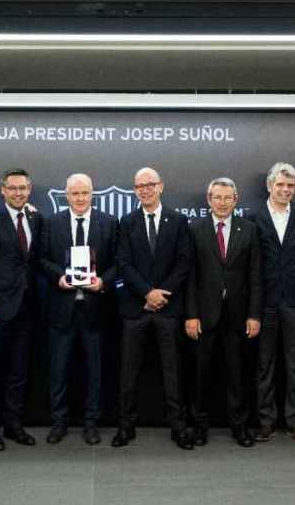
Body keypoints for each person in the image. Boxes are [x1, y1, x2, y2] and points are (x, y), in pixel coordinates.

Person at [112, 167, 193, 450]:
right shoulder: (127, 222)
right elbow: (123, 263)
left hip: (168, 309)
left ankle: (179, 428)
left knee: (173, 373)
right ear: (135, 190)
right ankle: (125, 427)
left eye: (150, 184)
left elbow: (184, 262)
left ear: (161, 186)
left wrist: (160, 294)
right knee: (128, 373)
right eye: (139, 186)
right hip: (136, 309)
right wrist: (147, 292)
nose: (145, 189)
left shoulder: (179, 221)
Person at [39, 173, 117, 445]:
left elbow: (119, 261)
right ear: (66, 195)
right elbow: (42, 259)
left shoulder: (108, 223)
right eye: (75, 193)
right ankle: (59, 422)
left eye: (85, 193)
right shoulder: (52, 223)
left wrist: (103, 281)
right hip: (62, 309)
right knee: (58, 370)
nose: (80, 198)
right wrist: (58, 276)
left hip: (95, 309)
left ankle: (91, 423)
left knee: (94, 372)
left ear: (92, 194)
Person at [184, 177, 262, 447]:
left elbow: (255, 276)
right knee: (201, 374)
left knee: (237, 375)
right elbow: (190, 276)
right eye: (217, 197)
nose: (222, 202)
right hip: (204, 316)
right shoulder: (194, 229)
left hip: (238, 316)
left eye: (228, 197)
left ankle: (240, 427)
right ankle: (199, 426)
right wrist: (191, 315)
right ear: (209, 199)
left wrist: (254, 315)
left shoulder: (249, 230)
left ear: (236, 200)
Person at [0, 168, 42, 451]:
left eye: (23, 188)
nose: (18, 193)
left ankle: (13, 424)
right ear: (2, 190)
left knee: (19, 370)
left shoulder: (36, 218)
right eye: (12, 188)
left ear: (29, 189)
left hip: (28, 308)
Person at [251, 162, 295, 444]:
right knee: (264, 366)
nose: (285, 190)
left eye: (290, 186)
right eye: (280, 185)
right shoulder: (254, 218)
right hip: (264, 303)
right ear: (269, 186)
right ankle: (266, 422)